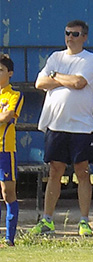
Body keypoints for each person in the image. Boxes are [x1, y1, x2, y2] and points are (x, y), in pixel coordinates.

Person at [31, 19, 93, 236]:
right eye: (67, 33)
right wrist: (62, 79)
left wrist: (55, 76)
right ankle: (47, 219)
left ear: (84, 37)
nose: (70, 37)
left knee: (83, 172)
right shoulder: (55, 57)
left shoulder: (90, 59)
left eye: (75, 34)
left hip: (80, 126)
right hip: (56, 124)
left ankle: (84, 221)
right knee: (54, 171)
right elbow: (39, 83)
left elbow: (80, 83)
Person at [0, 55, 24, 247]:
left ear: (10, 73)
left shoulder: (14, 95)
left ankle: (10, 238)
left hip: (5, 151)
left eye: (0, 70)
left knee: (8, 193)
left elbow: (7, 117)